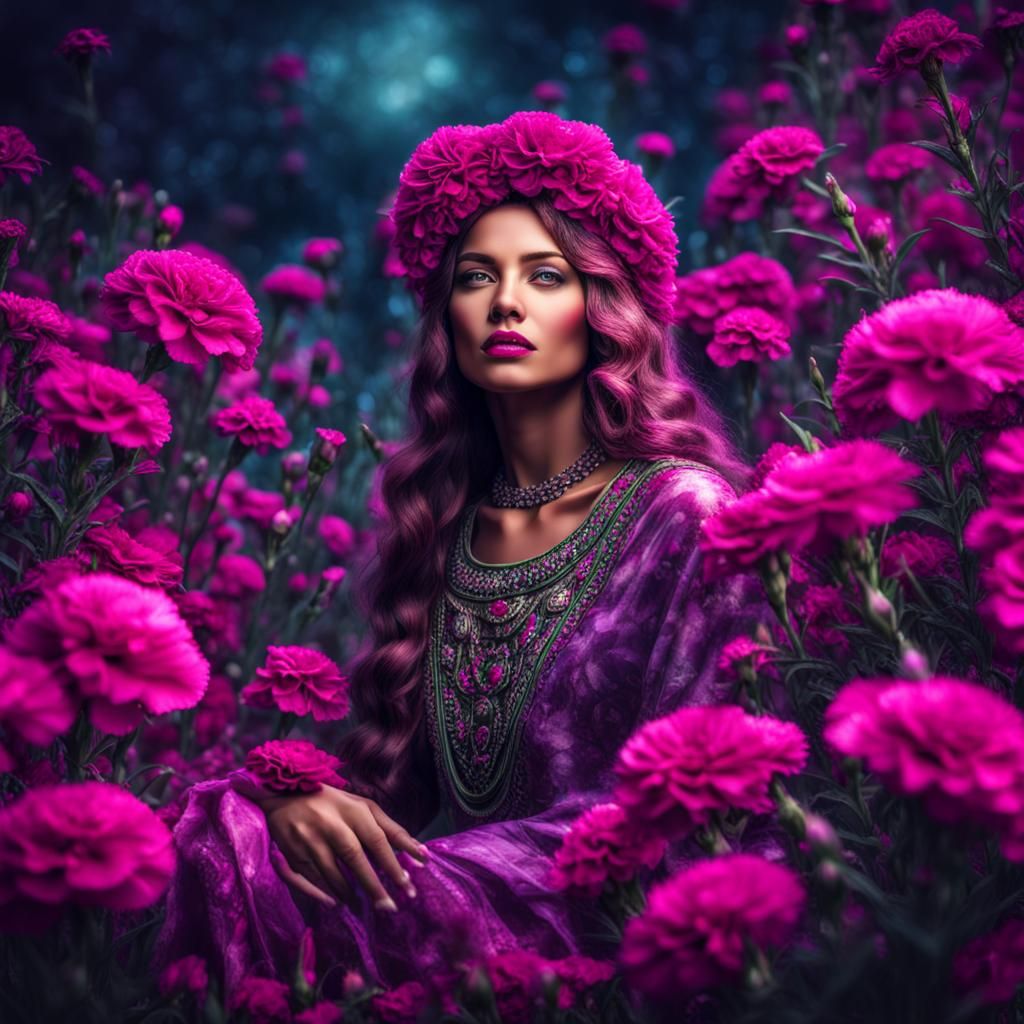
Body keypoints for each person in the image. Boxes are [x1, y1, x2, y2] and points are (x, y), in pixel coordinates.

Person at [154, 111, 770, 998]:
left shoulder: (681, 512)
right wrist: (303, 806)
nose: (505, 303)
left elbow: (707, 807)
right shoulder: (450, 530)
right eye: (477, 277)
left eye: (545, 275)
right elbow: (395, 813)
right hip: (457, 909)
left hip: (608, 920)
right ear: (448, 311)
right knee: (239, 825)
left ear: (603, 308)